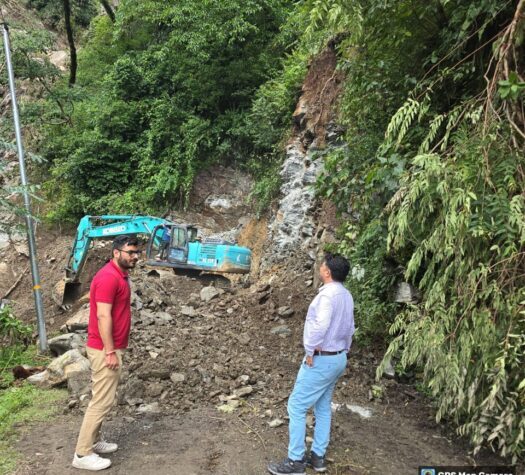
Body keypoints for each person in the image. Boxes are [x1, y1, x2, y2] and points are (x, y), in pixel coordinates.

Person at [267, 253, 354, 475]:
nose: (320, 267)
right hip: (338, 357)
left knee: (296, 406)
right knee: (323, 406)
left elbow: (320, 325)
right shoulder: (346, 295)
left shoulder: (327, 297)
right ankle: (318, 457)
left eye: (322, 265)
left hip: (322, 358)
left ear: (327, 272)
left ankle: (295, 461)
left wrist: (310, 350)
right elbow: (350, 327)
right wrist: (344, 350)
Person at [72, 235, 141, 471]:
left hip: (109, 347)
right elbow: (103, 315)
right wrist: (110, 350)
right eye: (130, 252)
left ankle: (94, 441)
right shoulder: (108, 277)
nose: (134, 256)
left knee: (102, 397)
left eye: (136, 253)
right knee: (102, 401)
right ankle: (82, 454)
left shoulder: (120, 275)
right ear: (116, 252)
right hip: (104, 349)